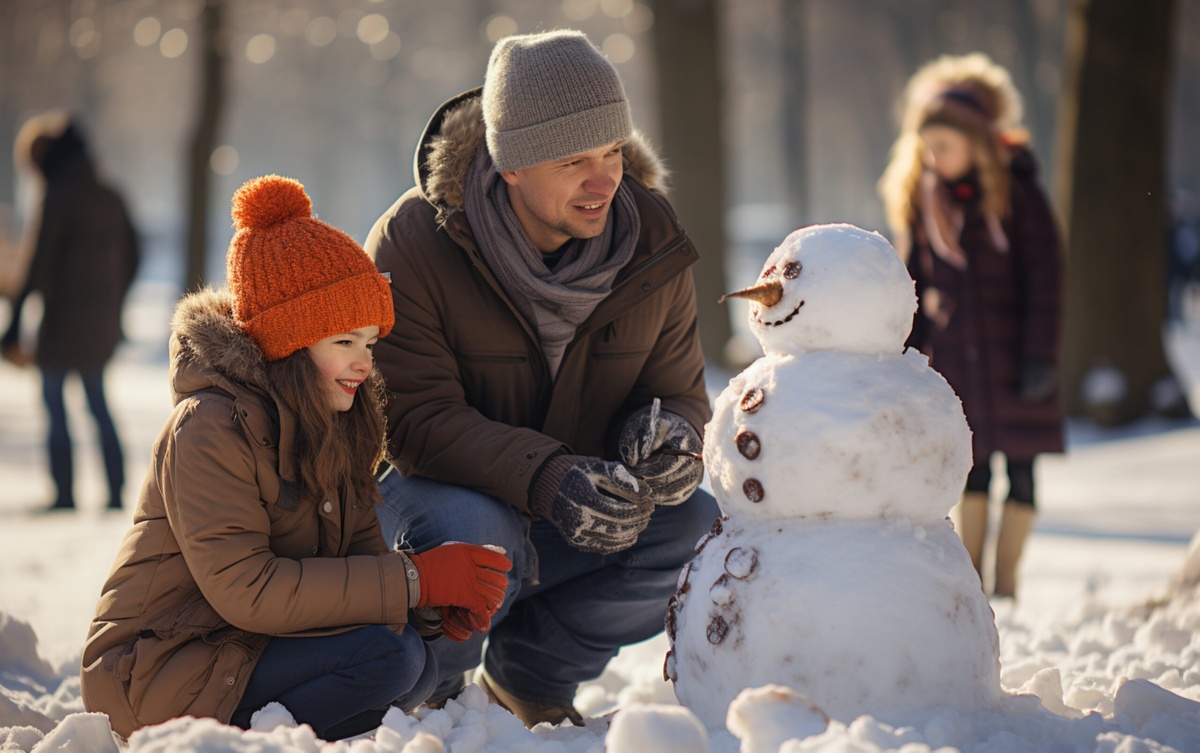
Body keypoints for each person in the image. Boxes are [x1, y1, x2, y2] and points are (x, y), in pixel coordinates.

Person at [365, 29, 719, 727]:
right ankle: (436, 694)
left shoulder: (651, 239)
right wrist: (546, 476)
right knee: (478, 524)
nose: (605, 179)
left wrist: (669, 440)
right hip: (435, 509)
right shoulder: (417, 241)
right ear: (511, 164)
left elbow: (679, 391)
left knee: (695, 526)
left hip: (579, 508)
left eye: (614, 151)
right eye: (573, 160)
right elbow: (411, 420)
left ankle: (532, 674)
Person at [80, 175, 513, 741]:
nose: (363, 363)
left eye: (370, 343)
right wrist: (413, 579)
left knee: (416, 660)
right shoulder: (209, 428)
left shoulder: (339, 424)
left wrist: (428, 605)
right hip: (157, 669)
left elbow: (355, 563)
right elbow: (248, 589)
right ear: (288, 343)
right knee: (393, 663)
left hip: (245, 645)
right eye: (343, 342)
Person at [878, 53, 1064, 599]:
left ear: (978, 144)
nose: (935, 157)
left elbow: (1047, 278)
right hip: (960, 360)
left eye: (946, 146)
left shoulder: (1019, 195)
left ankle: (1008, 580)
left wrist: (1041, 356)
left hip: (1019, 356)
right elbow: (914, 281)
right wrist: (906, 352)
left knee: (1023, 472)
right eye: (928, 147)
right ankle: (977, 582)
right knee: (973, 471)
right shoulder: (926, 202)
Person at [1, 112, 139, 511]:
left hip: (60, 325)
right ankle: (115, 492)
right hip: (99, 325)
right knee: (99, 404)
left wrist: (13, 324)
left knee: (55, 404)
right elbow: (135, 255)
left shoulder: (58, 196)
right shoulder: (112, 196)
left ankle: (65, 494)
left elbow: (38, 265)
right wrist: (114, 299)